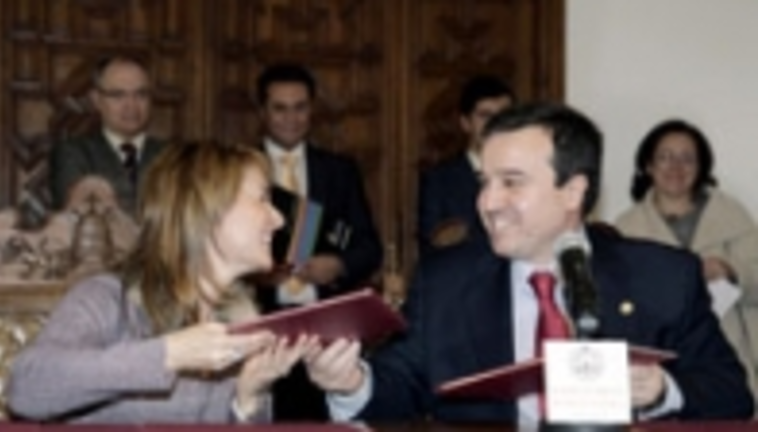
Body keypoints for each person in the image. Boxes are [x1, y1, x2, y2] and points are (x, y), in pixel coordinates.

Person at [305, 102, 755, 424]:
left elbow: (732, 394)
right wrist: (351, 382)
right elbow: (399, 385)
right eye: (485, 182)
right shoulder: (446, 281)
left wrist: (662, 391)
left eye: (511, 182)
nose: (488, 202)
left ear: (573, 192)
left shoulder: (663, 277)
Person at [7, 142, 315, 423]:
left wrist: (247, 401)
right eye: (263, 199)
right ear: (208, 209)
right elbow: (27, 387)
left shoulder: (241, 323)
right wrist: (170, 354)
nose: (279, 219)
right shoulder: (108, 298)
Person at [253, 62, 384, 420]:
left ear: (312, 109)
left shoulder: (339, 170)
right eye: (280, 108)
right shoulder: (240, 168)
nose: (291, 118)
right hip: (261, 327)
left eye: (300, 107)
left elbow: (370, 249)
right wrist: (258, 273)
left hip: (324, 329)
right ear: (262, 112)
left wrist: (338, 265)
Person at [615, 119, 758, 394]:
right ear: (648, 165)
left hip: (732, 354)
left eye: (687, 159)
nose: (675, 168)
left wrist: (731, 271)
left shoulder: (732, 214)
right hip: (657, 362)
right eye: (665, 157)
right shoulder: (626, 228)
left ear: (701, 167)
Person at [49, 55, 165, 214]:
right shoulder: (73, 153)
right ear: (96, 100)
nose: (131, 105)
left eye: (141, 94)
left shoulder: (172, 156)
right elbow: (77, 213)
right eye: (118, 95)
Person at [417, 75, 515, 256]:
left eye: (504, 116)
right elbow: (432, 245)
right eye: (485, 116)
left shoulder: (525, 175)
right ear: (465, 123)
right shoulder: (440, 179)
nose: (495, 124)